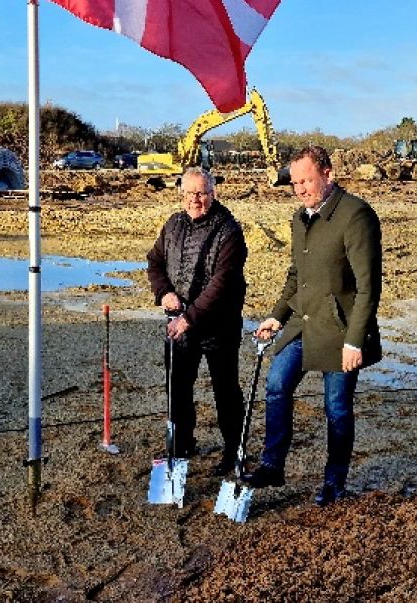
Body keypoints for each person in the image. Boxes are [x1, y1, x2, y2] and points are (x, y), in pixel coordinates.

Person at [243, 145, 382, 506]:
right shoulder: (299, 218)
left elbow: (369, 286)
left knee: (336, 408)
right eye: (295, 183)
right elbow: (297, 276)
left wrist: (356, 341)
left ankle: (334, 482)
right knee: (276, 385)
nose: (301, 188)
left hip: (339, 331)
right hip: (303, 323)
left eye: (307, 180)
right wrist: (277, 315)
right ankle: (272, 465)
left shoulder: (356, 216)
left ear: (328, 174)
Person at [146, 166, 248, 476]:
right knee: (177, 389)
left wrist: (189, 318)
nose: (196, 199)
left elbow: (222, 283)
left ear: (213, 193)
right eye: (190, 193)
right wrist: (163, 293)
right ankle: (182, 444)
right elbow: (155, 262)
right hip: (180, 326)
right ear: (181, 194)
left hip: (219, 326)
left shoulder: (229, 230)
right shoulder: (173, 224)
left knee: (226, 391)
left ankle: (235, 450)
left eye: (202, 193)